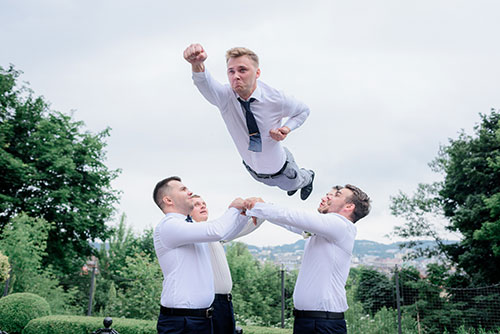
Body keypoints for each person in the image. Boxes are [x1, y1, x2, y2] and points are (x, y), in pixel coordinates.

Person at [183, 43, 315, 200]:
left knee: (293, 183)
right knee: (279, 183)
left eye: (242, 70)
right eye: (231, 71)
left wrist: (287, 128)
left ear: (257, 73)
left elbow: (303, 110)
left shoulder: (276, 99)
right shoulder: (226, 98)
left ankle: (308, 177)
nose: (236, 76)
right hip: (254, 171)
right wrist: (197, 64)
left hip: (282, 171)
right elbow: (205, 83)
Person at [244, 184, 371, 334]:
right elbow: (289, 222)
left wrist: (258, 206)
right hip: (307, 321)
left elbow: (294, 216)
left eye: (337, 195)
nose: (328, 197)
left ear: (349, 206)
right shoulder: (326, 229)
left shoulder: (341, 225)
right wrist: (261, 208)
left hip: (324, 324)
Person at [153, 176, 249, 334]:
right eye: (183, 189)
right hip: (182, 322)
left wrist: (243, 212)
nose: (190, 192)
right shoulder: (169, 226)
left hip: (202, 319)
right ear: (168, 200)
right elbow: (216, 230)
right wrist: (233, 208)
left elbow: (225, 232)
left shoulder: (191, 228)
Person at [190, 195, 264, 334]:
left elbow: (247, 226)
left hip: (225, 303)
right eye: (196, 204)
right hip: (209, 303)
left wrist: (259, 209)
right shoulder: (194, 232)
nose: (203, 206)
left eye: (204, 203)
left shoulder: (214, 234)